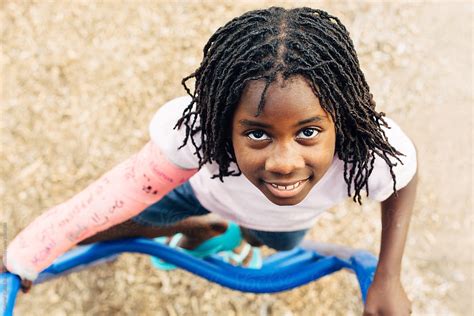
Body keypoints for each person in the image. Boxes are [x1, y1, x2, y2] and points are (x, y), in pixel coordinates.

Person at [1, 7, 417, 315]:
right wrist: (28, 254)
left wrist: (387, 275)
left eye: (308, 132)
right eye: (257, 133)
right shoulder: (197, 132)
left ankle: (234, 236)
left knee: (273, 242)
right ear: (223, 123)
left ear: (339, 120)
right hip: (199, 194)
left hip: (284, 223)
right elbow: (109, 197)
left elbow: (405, 179)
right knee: (105, 227)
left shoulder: (371, 151)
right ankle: (200, 227)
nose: (283, 162)